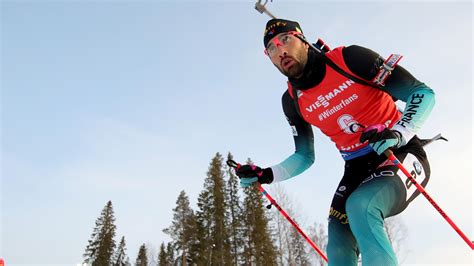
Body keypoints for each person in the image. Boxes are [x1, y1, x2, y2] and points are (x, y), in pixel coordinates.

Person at [235, 18, 435, 265]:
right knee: (338, 245)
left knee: (361, 207)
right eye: (272, 49)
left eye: (285, 39)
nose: (280, 51)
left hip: (400, 152)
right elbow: (304, 156)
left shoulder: (350, 60)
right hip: (356, 169)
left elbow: (422, 93)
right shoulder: (293, 101)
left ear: (303, 41)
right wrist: (266, 174)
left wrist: (398, 131)